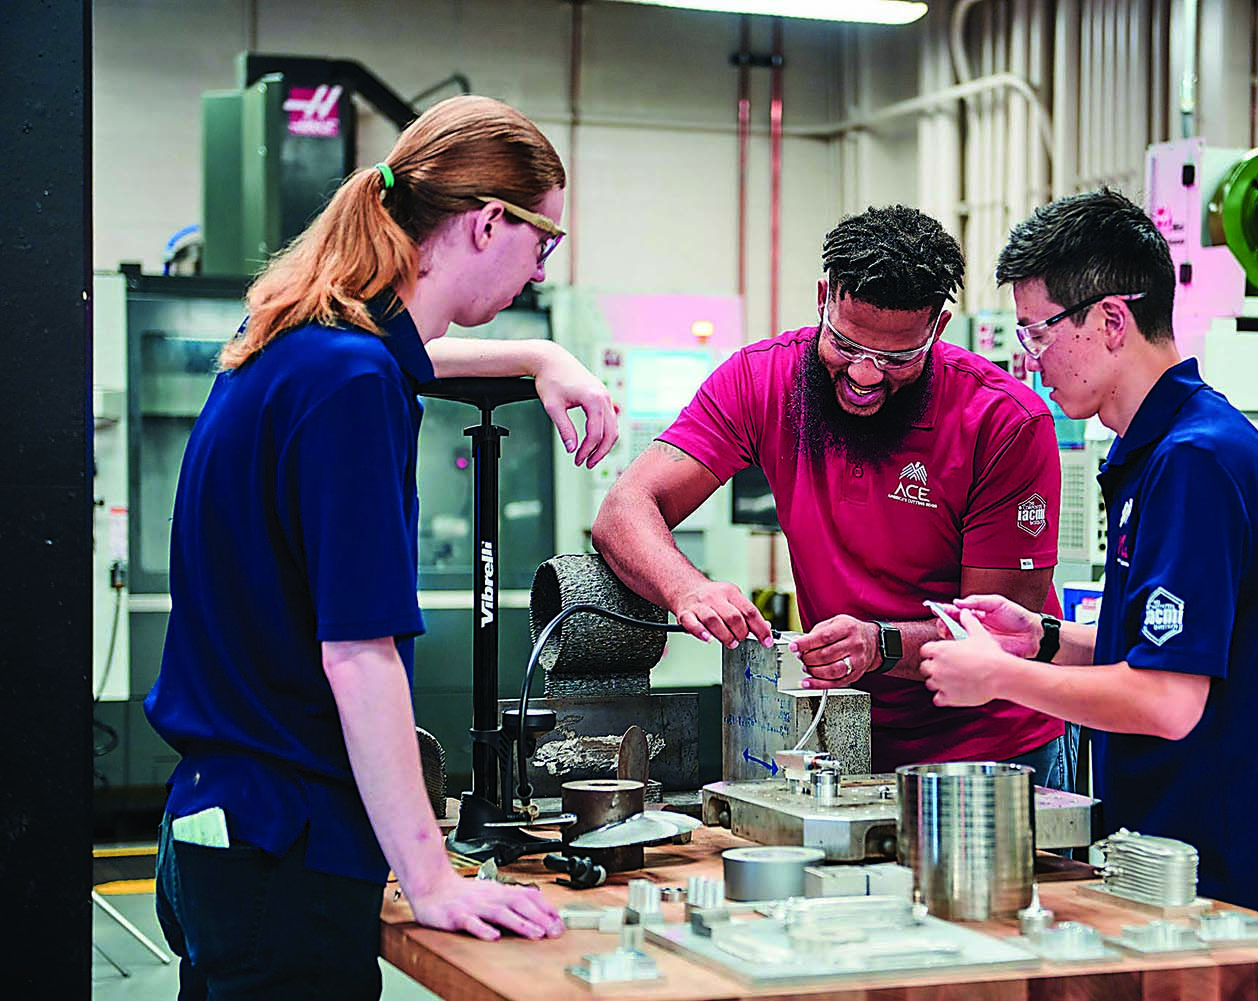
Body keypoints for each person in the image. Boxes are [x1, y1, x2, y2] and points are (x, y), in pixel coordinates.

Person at [145, 95, 618, 998]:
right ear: (487, 223)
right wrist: (432, 877)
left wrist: (540, 357)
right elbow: (359, 656)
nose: (538, 269)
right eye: (544, 242)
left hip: (222, 829)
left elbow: (407, 356)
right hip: (290, 844)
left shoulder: (295, 340)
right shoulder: (355, 386)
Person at [918, 189, 1258, 916]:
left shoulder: (1194, 462)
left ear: (1111, 320)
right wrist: (1042, 640)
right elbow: (1168, 649)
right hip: (1172, 868)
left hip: (1229, 888)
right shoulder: (1155, 453)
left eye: (1038, 334)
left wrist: (998, 677)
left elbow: (1168, 700)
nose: (1031, 362)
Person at [592, 205, 1070, 783]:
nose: (866, 376)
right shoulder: (762, 381)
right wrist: (687, 588)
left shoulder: (1002, 421)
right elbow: (625, 508)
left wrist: (879, 645)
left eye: (897, 358)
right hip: (840, 732)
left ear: (937, 328)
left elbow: (998, 634)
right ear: (824, 299)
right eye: (846, 345)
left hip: (991, 745)